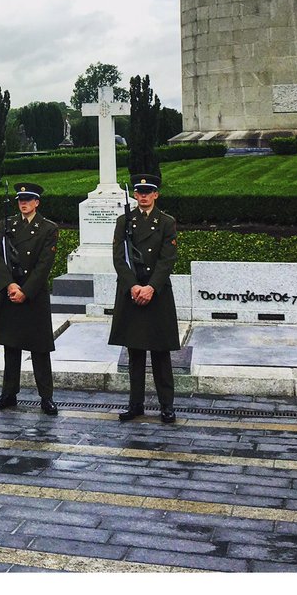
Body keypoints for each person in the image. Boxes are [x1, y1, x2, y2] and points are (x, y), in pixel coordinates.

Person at [109, 173, 180, 424]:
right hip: (132, 293)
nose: (143, 196)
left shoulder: (166, 222)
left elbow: (167, 259)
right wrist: (133, 287)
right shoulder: (124, 222)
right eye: (139, 193)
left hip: (156, 294)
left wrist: (150, 288)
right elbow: (119, 258)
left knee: (161, 353)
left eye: (148, 192)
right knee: (135, 352)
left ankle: (167, 406)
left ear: (156, 194)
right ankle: (135, 404)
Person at [0, 182, 58, 416]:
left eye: (28, 199)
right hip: (11, 291)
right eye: (20, 200)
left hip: (33, 295)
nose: (23, 203)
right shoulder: (8, 225)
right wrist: (9, 284)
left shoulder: (48, 228)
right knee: (11, 345)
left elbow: (44, 265)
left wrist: (25, 291)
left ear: (37, 202)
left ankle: (46, 397)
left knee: (40, 348)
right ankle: (8, 393)